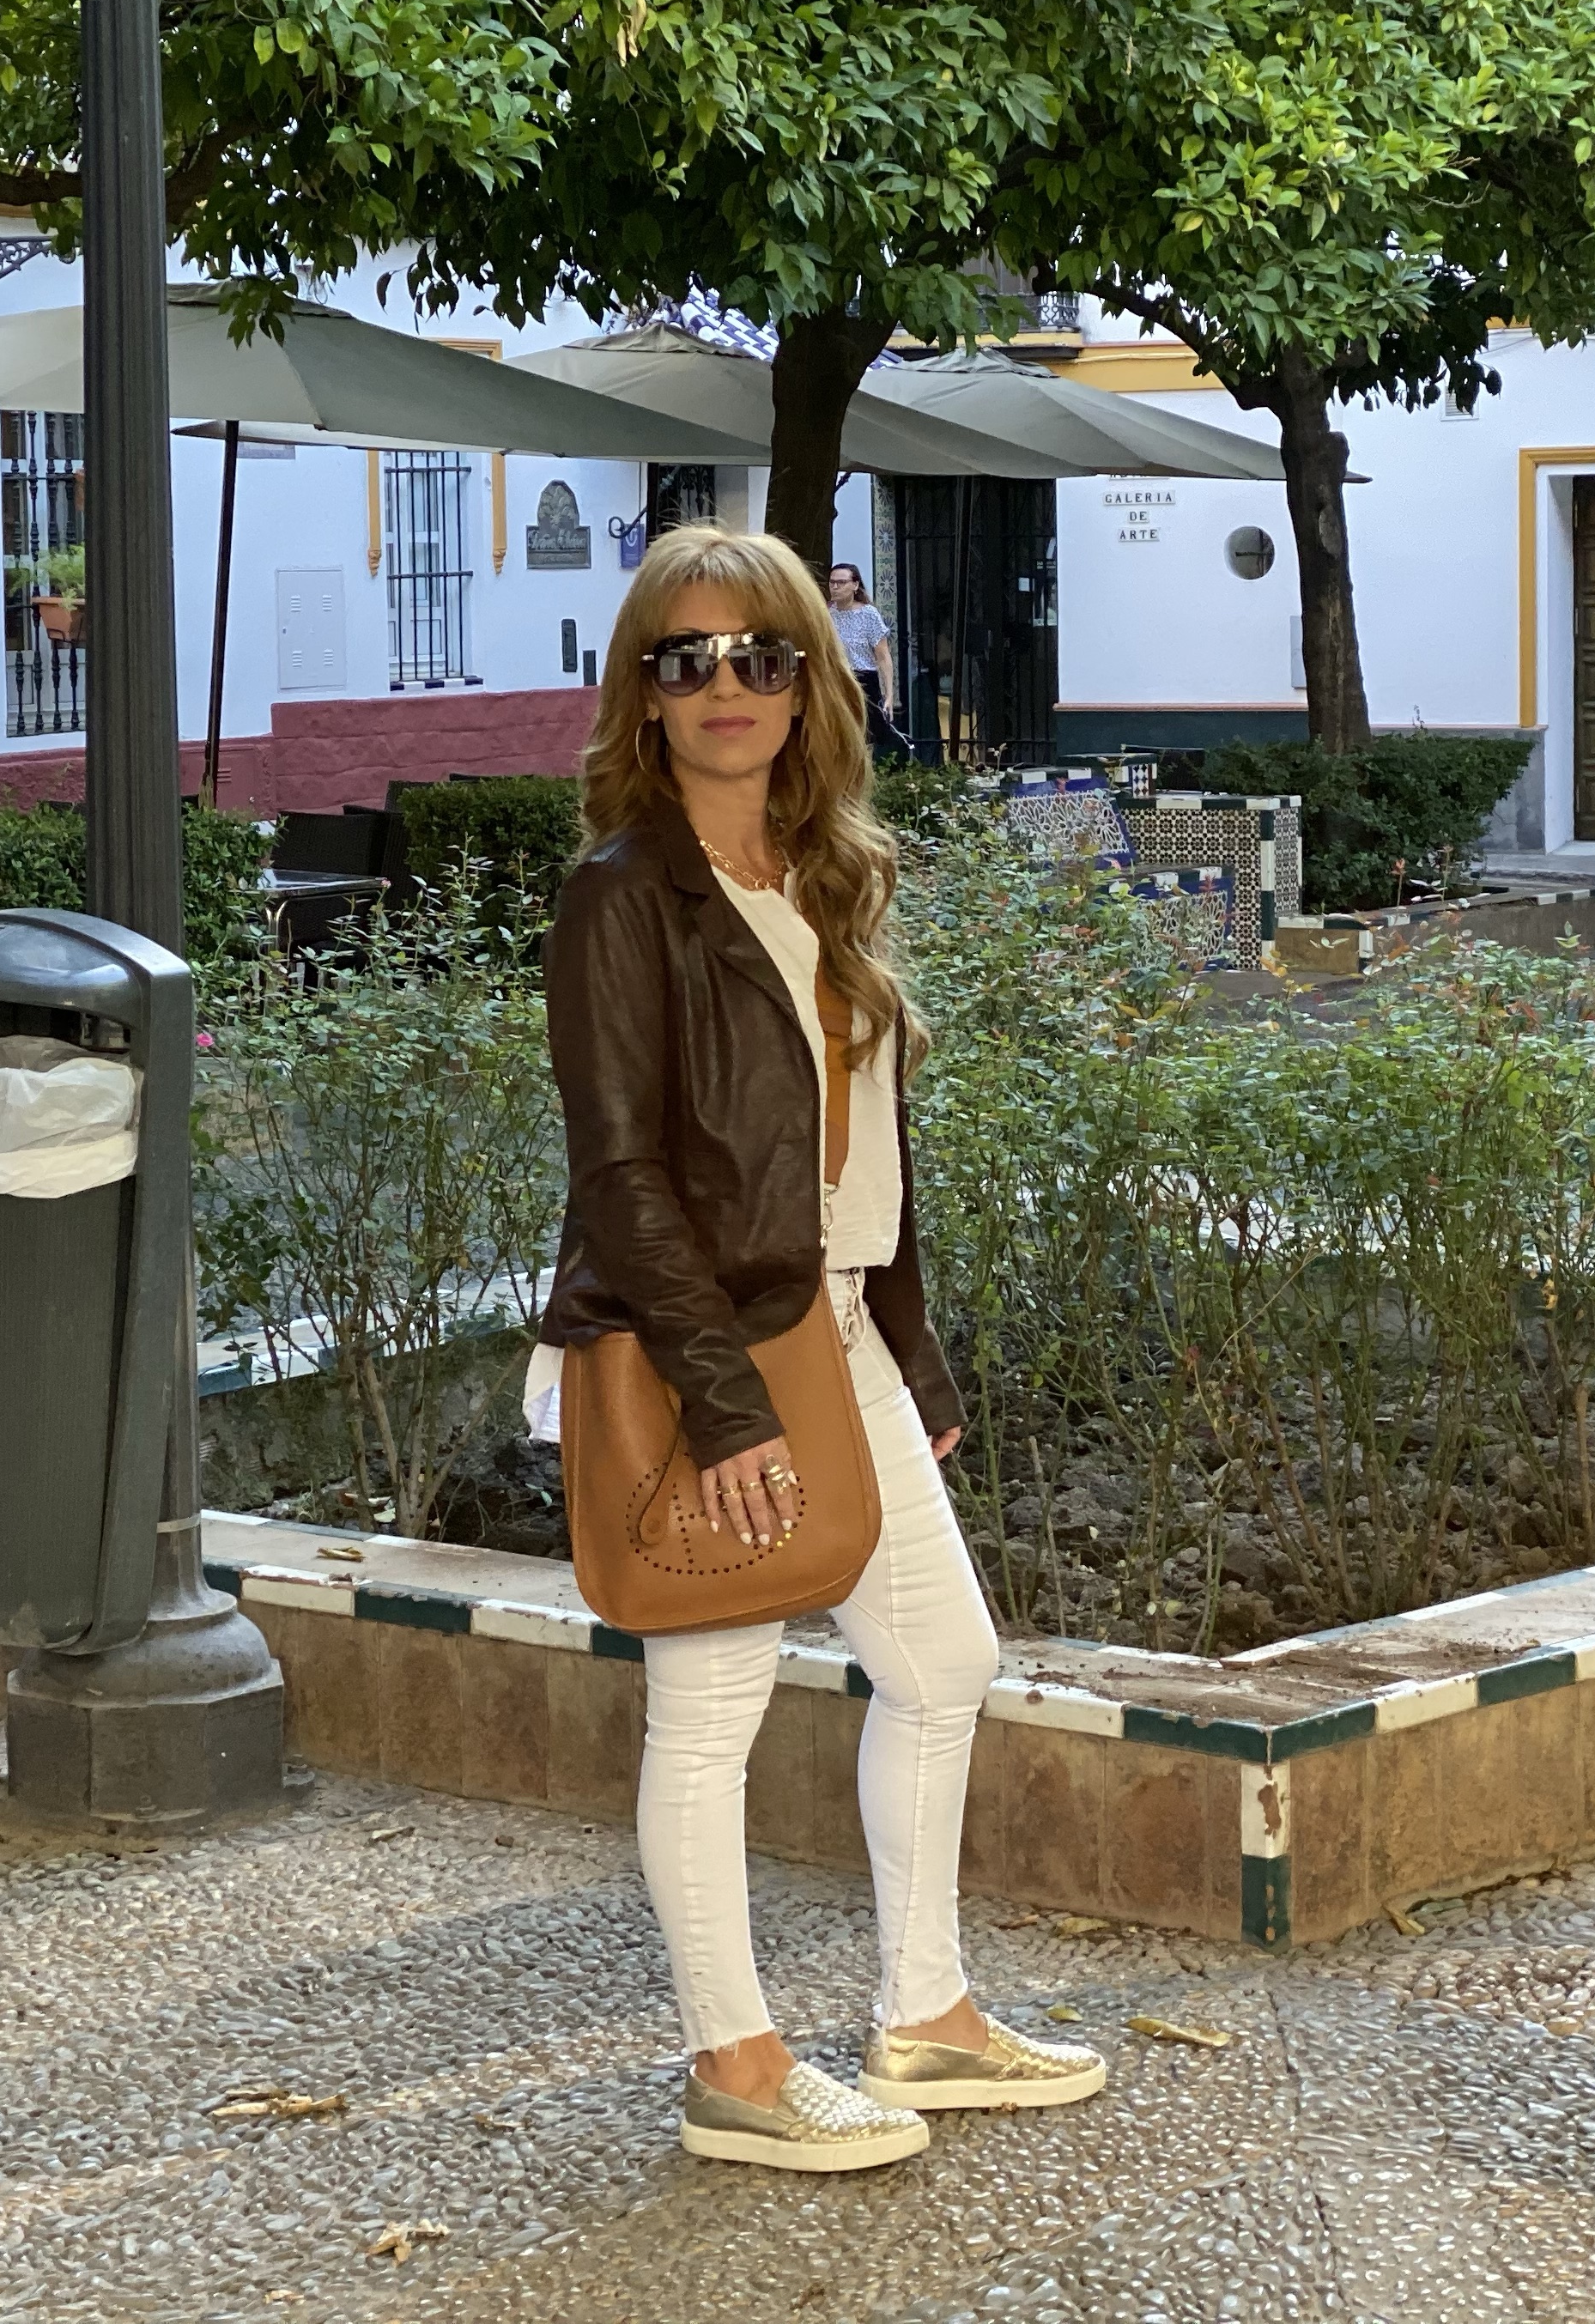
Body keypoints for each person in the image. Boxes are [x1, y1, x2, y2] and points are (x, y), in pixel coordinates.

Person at [534, 522, 1104, 2173]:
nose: (727, 684)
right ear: (643, 694)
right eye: (688, 657)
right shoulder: (622, 896)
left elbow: (870, 1154)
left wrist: (911, 1354)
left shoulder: (825, 874)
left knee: (943, 1664)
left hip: (837, 1326)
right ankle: (734, 2058)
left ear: (807, 683)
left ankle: (924, 2013)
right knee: (710, 1700)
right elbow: (621, 1174)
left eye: (761, 655)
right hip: (705, 1346)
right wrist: (723, 1406)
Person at [824, 561, 911, 765]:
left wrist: (889, 694)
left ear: (855, 585)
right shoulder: (826, 613)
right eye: (832, 582)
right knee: (837, 734)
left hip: (863, 679)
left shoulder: (868, 614)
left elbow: (883, 656)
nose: (835, 587)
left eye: (841, 582)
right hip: (836, 678)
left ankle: (866, 774)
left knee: (867, 735)